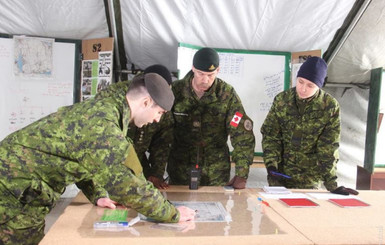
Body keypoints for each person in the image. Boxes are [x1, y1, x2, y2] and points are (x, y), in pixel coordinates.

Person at [0, 73, 195, 245]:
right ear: (145, 102)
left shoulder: (106, 109)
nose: (157, 120)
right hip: (13, 189)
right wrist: (173, 214)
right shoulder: (103, 126)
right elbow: (128, 185)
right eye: (159, 112)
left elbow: (82, 158)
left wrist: (98, 194)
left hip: (18, 184)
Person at [260, 56, 358, 195]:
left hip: (309, 179)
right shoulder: (282, 100)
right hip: (279, 175)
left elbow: (328, 148)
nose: (303, 89)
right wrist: (271, 165)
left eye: (310, 85)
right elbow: (271, 135)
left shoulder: (329, 107)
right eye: (300, 82)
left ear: (319, 86)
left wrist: (332, 184)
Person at [163, 47, 255, 189]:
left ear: (218, 70)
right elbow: (161, 133)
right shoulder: (175, 91)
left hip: (216, 173)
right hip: (180, 170)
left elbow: (241, 135)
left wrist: (242, 173)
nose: (205, 80)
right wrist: (156, 172)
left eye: (210, 75)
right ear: (193, 68)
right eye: (200, 73)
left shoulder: (227, 95)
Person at [95, 64, 173, 189]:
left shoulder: (161, 103)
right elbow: (99, 153)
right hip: (109, 163)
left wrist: (155, 173)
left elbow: (161, 142)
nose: (157, 119)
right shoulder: (113, 100)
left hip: (137, 160)